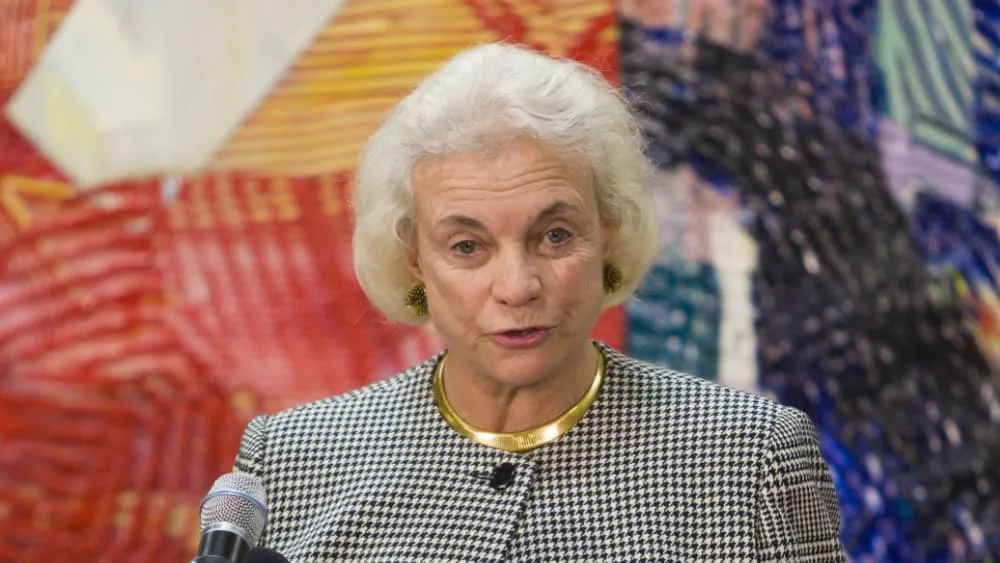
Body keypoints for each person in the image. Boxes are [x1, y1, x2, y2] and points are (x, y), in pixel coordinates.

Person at [232, 42, 847, 562]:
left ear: (608, 232)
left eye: (554, 236)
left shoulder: (750, 459)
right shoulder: (291, 461)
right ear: (412, 257)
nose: (518, 285)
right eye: (467, 246)